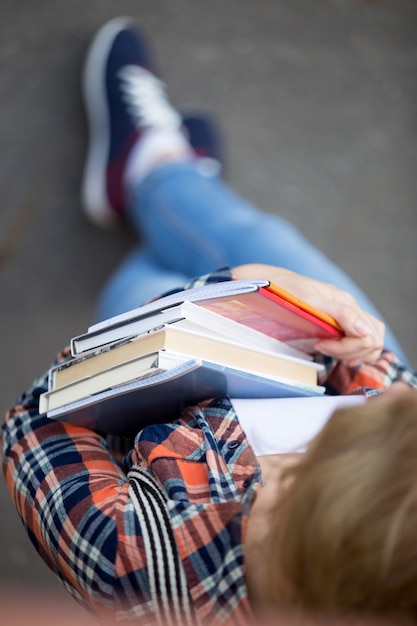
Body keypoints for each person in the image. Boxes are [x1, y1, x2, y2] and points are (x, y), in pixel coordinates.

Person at [2, 16, 417, 626]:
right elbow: (381, 386)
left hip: (154, 381)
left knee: (146, 283)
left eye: (293, 480)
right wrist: (354, 347)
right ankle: (167, 176)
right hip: (282, 358)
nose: (280, 459)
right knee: (268, 242)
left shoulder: (137, 564)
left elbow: (35, 424)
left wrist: (221, 290)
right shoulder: (393, 456)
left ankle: (161, 175)